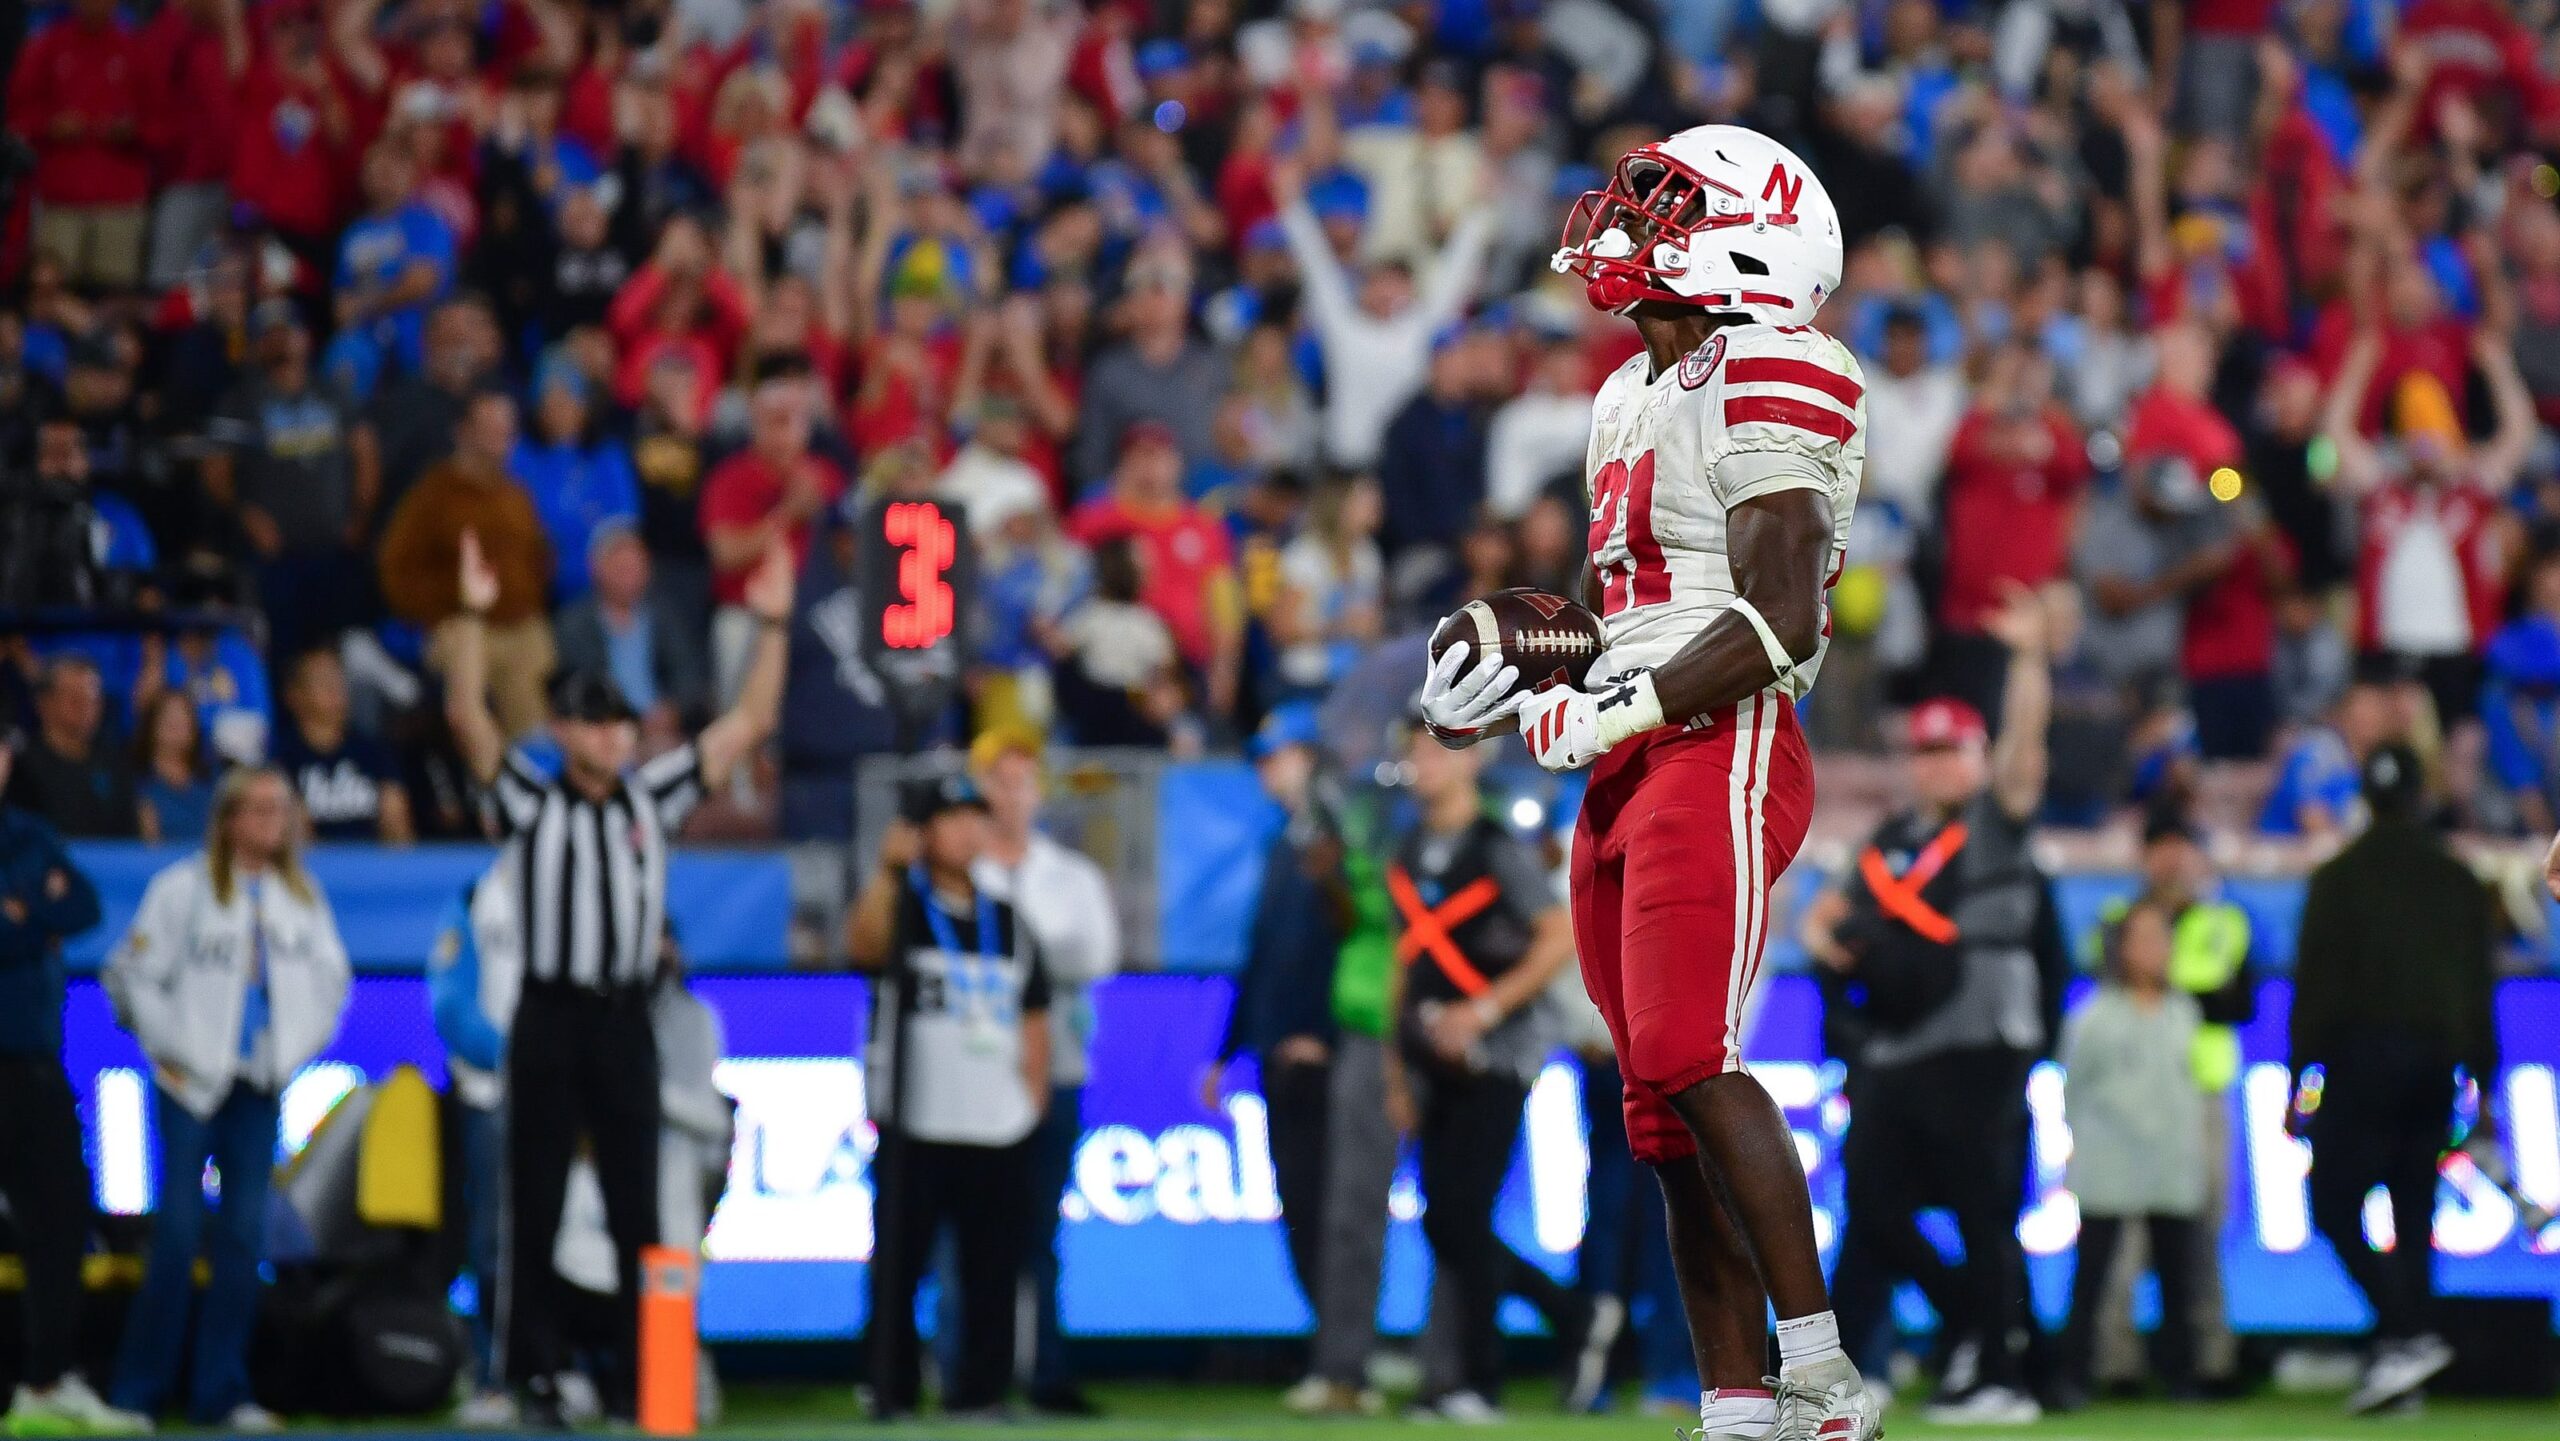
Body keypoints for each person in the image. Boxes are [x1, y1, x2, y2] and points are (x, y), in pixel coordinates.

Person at [1426, 124, 1877, 1440]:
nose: (1627, 227)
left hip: (1721, 734)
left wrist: (1614, 702)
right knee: (1657, 1110)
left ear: (1751, 240)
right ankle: (1733, 1402)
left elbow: (1781, 614)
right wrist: (1523, 676)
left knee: (1691, 1053)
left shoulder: (1779, 362)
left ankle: (1824, 1377)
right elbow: (1615, 611)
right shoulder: (1629, 389)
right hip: (1631, 750)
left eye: (1666, 208)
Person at [441, 527, 792, 1426]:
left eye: (620, 722)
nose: (611, 734)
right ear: (563, 731)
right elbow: (469, 718)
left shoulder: (652, 794)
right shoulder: (534, 800)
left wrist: (773, 626)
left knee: (641, 1203)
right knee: (535, 1198)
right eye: (594, 722)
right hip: (552, 1012)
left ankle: (648, 1375)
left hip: (625, 1015)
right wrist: (472, 617)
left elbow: (747, 724)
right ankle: (527, 1374)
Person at [1799, 592, 2061, 1426]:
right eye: (1925, 750)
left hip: (1982, 1035)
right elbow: (1822, 917)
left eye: (1952, 749)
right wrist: (1824, 936)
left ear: (1976, 757)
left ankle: (2001, 1373)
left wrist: (2028, 660)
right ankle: (1977, 1332)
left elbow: (2026, 755)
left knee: (1984, 1210)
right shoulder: (1890, 840)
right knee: (1875, 1206)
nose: (1937, 765)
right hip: (1902, 1041)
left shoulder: (1992, 823)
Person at [104, 767, 353, 1430]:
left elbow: (332, 981)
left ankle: (222, 1392)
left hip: (257, 1084)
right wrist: (176, 1047)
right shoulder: (181, 888)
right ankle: (139, 1392)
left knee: (244, 1237)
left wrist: (289, 1051)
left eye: (282, 808)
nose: (275, 820)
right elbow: (129, 975)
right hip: (189, 1086)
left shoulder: (299, 897)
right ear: (230, 818)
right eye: (261, 808)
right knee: (178, 1234)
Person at [2292, 742, 2498, 1414]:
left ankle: (2404, 1332)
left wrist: (2302, 1081)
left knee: (2332, 1203)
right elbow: (2478, 987)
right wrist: (2483, 1080)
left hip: (2360, 1059)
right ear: (2419, 795)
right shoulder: (2457, 879)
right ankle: (2403, 1355)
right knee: (2413, 1210)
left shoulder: (2339, 877)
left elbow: (2315, 989)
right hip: (2434, 1062)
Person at [844, 775, 1053, 1420]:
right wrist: (889, 871)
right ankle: (892, 1386)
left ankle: (981, 1391)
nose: (965, 832)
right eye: (949, 819)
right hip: (917, 1117)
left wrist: (1032, 1098)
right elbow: (863, 948)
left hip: (996, 1120)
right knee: (900, 1265)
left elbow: (1035, 1012)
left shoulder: (1009, 921)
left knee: (993, 1269)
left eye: (974, 818)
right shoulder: (904, 909)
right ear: (923, 833)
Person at [1384, 717, 1572, 1421]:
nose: (1423, 761)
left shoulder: (1497, 848)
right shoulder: (1409, 849)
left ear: (1474, 761)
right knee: (1446, 1221)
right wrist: (1395, 1070)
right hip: (1430, 1059)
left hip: (1498, 1056)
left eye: (1438, 749)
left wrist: (1485, 1010)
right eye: (1416, 748)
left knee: (1460, 1215)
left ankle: (1481, 1378)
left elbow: (1558, 936)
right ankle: (1555, 1323)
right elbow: (1405, 963)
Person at [967, 729, 1120, 1416]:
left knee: (1038, 1227)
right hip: (971, 1073)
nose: (1014, 796)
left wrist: (1014, 953)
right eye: (1002, 781)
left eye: (1025, 781)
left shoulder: (1070, 874)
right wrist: (1040, 951)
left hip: (1054, 1064)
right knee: (970, 1229)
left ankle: (1044, 1369)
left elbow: (1097, 955)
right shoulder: (963, 870)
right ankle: (968, 1368)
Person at [1207, 704, 1345, 1344]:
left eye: (1276, 756)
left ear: (1308, 758)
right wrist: (1225, 1050)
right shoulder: (1284, 842)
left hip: (1322, 1052)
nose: (1266, 770)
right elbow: (1264, 953)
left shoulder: (1336, 838)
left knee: (1328, 1204)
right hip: (1282, 1050)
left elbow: (1349, 943)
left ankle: (1347, 1345)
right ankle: (1333, 1343)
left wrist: (1325, 1032)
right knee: (1300, 1202)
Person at [0, 737, 125, 1435]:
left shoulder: (32, 833)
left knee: (60, 1221)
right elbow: (37, 922)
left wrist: (21, 915)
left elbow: (81, 907)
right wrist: (30, 915)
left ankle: (44, 1381)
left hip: (36, 1061)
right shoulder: (34, 850)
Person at [2054, 900, 2206, 1408]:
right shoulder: (2094, 1017)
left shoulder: (2184, 1012)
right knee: (2094, 1273)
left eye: (2162, 938)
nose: (2155, 950)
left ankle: (2183, 1374)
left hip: (2169, 1161)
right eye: (2143, 938)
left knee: (2179, 1274)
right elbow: (2075, 1086)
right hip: (2110, 1160)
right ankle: (2074, 1374)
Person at [378, 387, 555, 738]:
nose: (501, 437)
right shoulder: (433, 494)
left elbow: (538, 556)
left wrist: (532, 591)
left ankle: (535, 762)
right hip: (460, 623)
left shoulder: (516, 493)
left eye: (506, 428)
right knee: (470, 710)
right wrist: (445, 606)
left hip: (521, 623)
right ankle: (480, 762)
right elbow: (395, 569)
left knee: (540, 700)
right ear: (463, 432)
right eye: (489, 428)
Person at [428, 858, 524, 1428]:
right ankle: (492, 1374)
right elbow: (449, 1000)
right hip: (491, 1093)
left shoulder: (580, 887)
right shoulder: (476, 898)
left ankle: (563, 1368)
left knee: (567, 1237)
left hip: (564, 1095)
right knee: (492, 1241)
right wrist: (517, 1057)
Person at [552, 520, 713, 742]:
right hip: (606, 729)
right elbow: (582, 683)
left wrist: (672, 710)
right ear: (597, 569)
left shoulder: (666, 613)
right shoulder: (574, 624)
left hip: (667, 728)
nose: (629, 576)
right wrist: (628, 721)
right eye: (621, 568)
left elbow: (689, 671)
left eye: (635, 567)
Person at [274, 646, 414, 845]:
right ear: (294, 695)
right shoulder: (282, 757)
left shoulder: (372, 750)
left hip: (374, 860)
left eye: (339, 679)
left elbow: (396, 820)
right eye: (324, 681)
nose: (335, 689)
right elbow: (295, 834)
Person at [6, 655, 140, 839]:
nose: (87, 708)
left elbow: (129, 835)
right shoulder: (21, 767)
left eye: (93, 699)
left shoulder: (114, 762)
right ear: (44, 703)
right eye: (75, 699)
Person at [133, 686, 219, 845]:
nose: (177, 724)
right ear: (152, 724)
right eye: (169, 717)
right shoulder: (139, 785)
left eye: (183, 717)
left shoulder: (212, 780)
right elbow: (150, 845)